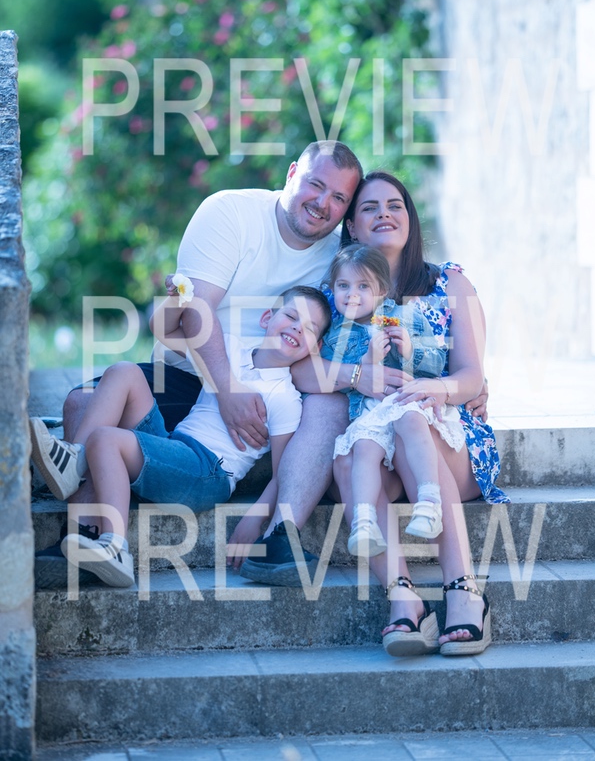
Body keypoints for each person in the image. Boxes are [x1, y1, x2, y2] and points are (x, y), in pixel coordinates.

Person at [35, 140, 364, 587]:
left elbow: (383, 280)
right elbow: (184, 317)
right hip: (194, 374)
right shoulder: (231, 212)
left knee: (98, 424)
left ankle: (97, 528)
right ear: (291, 175)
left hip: (240, 419)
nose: (323, 203)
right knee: (87, 398)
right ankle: (86, 536)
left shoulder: (338, 258)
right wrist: (225, 387)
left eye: (339, 197)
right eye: (315, 185)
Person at [241, 171, 507, 659]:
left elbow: (471, 376)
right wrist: (356, 376)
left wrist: (436, 388)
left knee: (412, 421)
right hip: (376, 441)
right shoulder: (338, 291)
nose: (384, 213)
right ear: (352, 227)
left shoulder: (450, 283)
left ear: (409, 218)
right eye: (369, 207)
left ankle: (464, 590)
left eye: (394, 205)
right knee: (348, 458)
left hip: (447, 439)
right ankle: (404, 597)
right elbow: (301, 370)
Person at [29, 287, 331, 587]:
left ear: (315, 347)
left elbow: (282, 473)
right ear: (267, 318)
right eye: (291, 316)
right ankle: (74, 460)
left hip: (208, 472)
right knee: (124, 371)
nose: (296, 328)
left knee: (106, 439)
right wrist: (178, 297)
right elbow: (165, 330)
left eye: (309, 328)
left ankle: (115, 546)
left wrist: (255, 518)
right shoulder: (230, 350)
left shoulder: (285, 398)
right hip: (175, 445)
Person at [321, 243, 465, 555]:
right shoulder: (334, 334)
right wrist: (366, 362)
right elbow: (335, 381)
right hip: (369, 411)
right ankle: (364, 522)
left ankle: (429, 503)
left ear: (382, 291)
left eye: (363, 286)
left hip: (406, 400)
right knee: (364, 448)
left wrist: (411, 350)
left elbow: (438, 363)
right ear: (333, 289)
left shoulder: (406, 317)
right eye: (343, 286)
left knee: (410, 420)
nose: (352, 294)